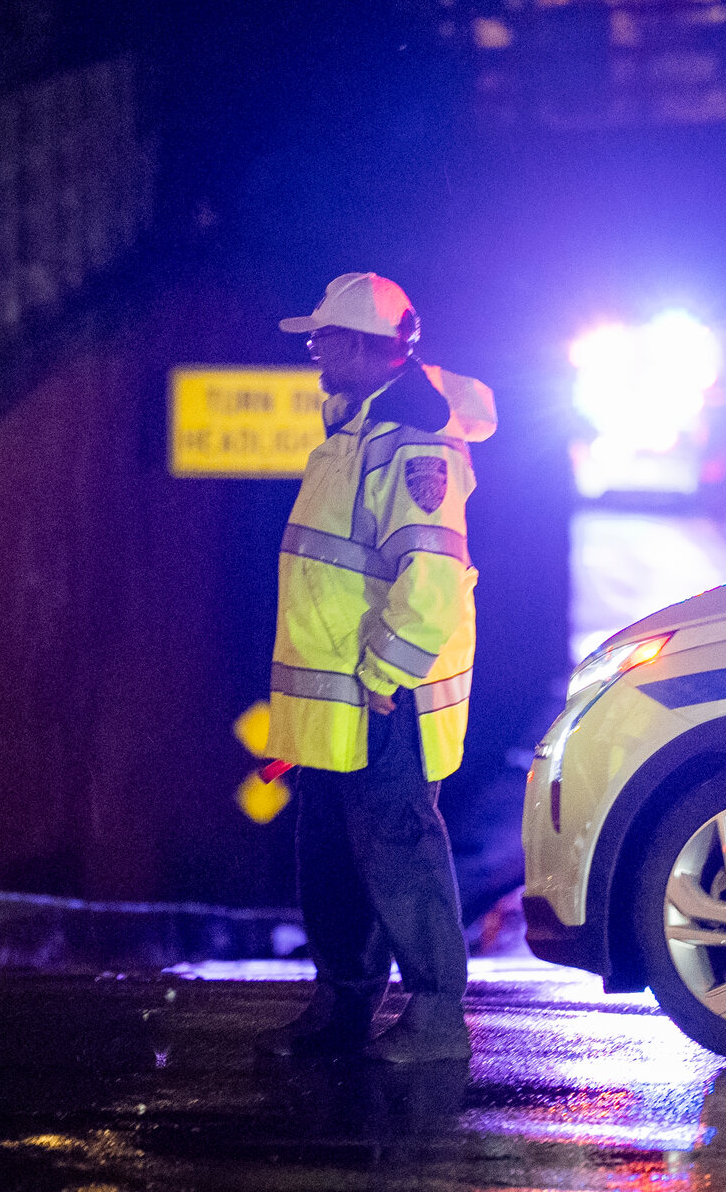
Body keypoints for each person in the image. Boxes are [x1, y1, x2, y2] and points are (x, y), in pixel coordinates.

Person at [257, 273, 497, 1064]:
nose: (314, 350)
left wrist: (385, 676)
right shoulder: (356, 430)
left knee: (400, 851)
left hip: (383, 701)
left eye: (325, 337)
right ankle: (342, 1004)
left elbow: (427, 578)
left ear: (363, 345)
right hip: (339, 704)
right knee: (329, 856)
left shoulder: (411, 440)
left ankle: (435, 1017)